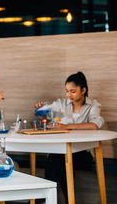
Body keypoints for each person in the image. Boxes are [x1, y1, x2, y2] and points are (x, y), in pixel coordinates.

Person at [33, 71, 104, 202]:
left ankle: (42, 200)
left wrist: (65, 126)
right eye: (67, 91)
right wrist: (39, 107)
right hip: (61, 151)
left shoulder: (93, 105)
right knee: (58, 159)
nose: (68, 95)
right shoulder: (61, 104)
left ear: (83, 90)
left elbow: (94, 125)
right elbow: (44, 109)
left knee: (56, 160)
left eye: (72, 91)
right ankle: (66, 201)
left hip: (82, 153)